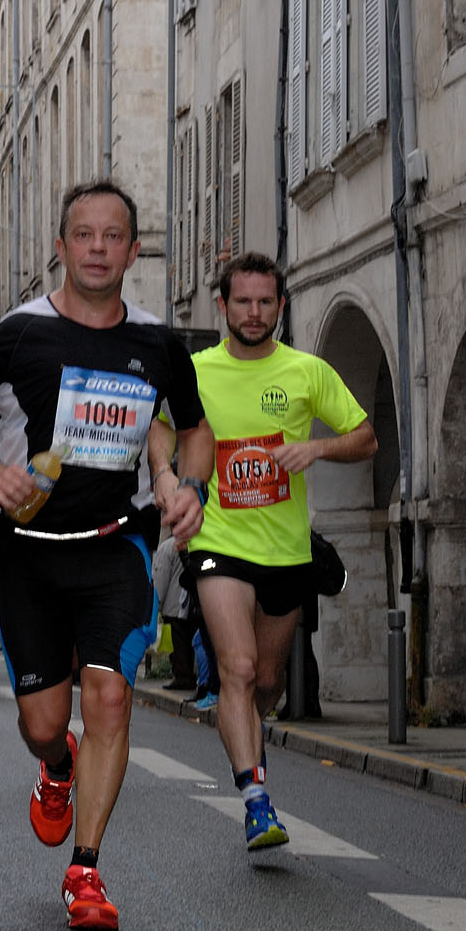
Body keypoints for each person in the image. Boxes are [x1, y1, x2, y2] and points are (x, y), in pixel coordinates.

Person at [0, 180, 210, 931]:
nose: (97, 248)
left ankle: (85, 869)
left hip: (115, 545)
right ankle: (58, 767)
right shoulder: (21, 332)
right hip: (26, 551)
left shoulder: (156, 342)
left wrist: (187, 486)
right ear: (61, 248)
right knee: (41, 724)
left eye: (111, 236)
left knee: (112, 697)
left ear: (134, 249)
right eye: (82, 235)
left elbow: (194, 427)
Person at [166, 252, 374, 852]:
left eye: (264, 302)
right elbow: (158, 425)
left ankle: (248, 739)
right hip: (216, 540)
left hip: (285, 550)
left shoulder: (307, 372)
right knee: (236, 668)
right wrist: (167, 474)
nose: (253, 313)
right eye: (242, 302)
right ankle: (255, 799)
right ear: (222, 306)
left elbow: (366, 437)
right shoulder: (195, 370)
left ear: (280, 306)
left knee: (267, 678)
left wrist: (317, 451)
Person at [151, 534, 197, 693]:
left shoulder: (167, 546)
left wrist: (156, 603)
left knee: (178, 644)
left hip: (173, 603)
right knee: (188, 642)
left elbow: (160, 578)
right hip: (191, 602)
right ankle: (189, 675)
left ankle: (182, 676)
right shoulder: (193, 542)